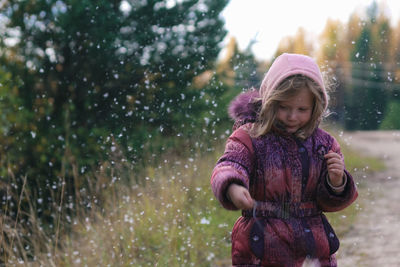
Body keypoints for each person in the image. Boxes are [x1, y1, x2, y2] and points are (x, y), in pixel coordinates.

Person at [210, 53, 358, 267]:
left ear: (316, 108)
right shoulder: (250, 137)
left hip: (312, 249)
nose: (292, 116)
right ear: (270, 101)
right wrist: (232, 186)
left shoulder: (324, 145)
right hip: (260, 247)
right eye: (284, 107)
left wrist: (337, 182)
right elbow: (229, 164)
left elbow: (328, 202)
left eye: (302, 109)